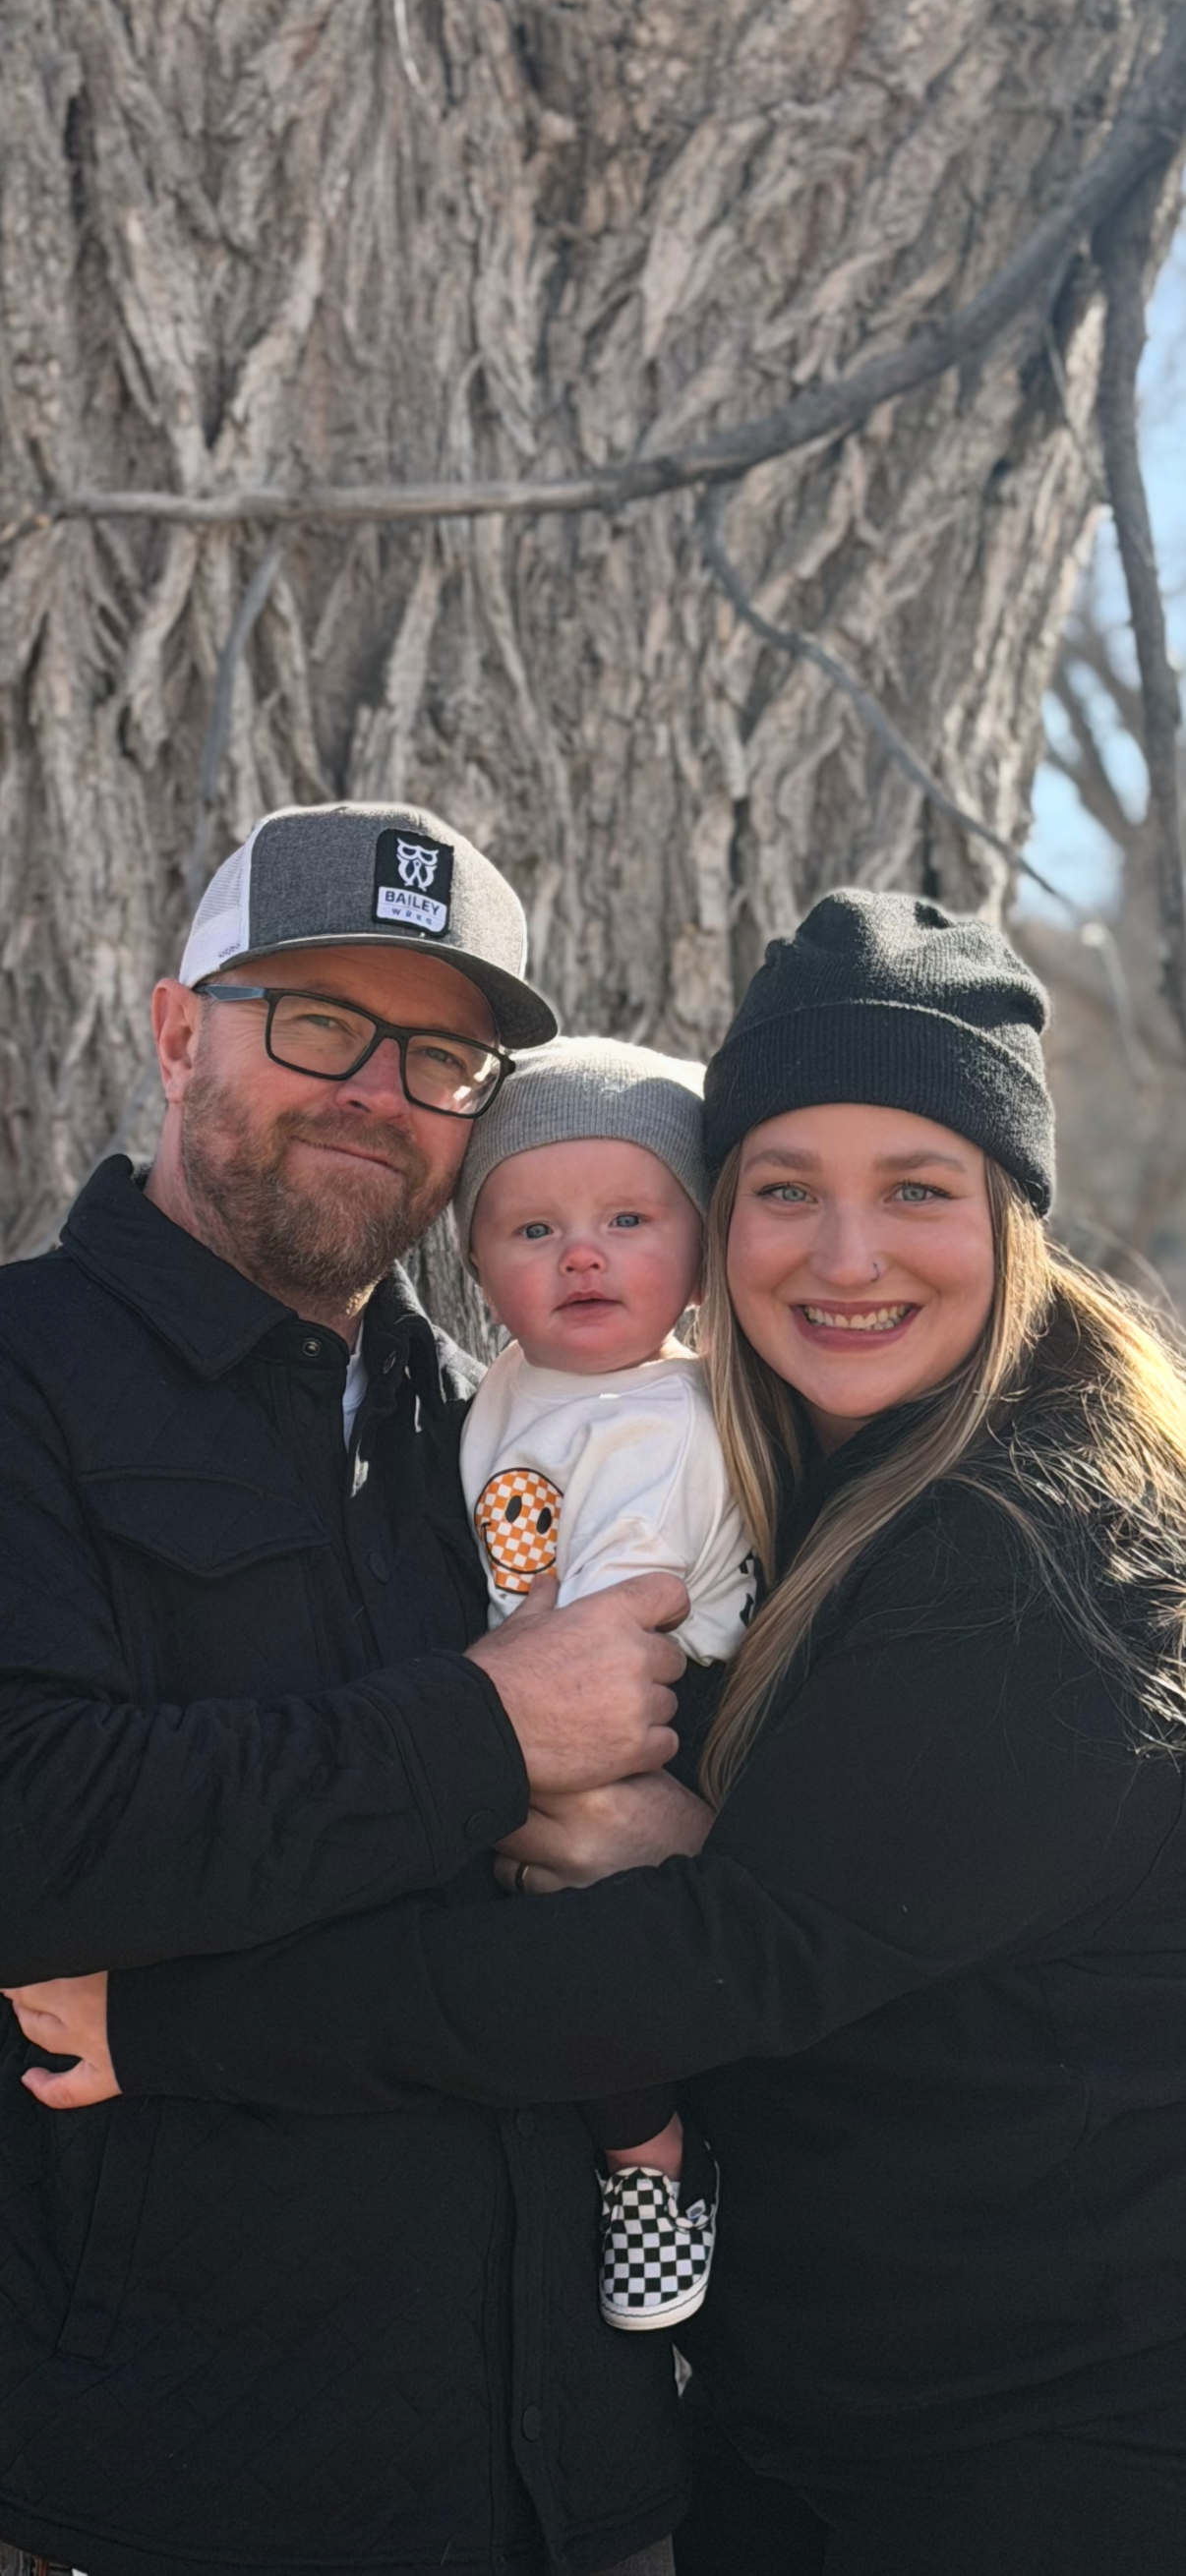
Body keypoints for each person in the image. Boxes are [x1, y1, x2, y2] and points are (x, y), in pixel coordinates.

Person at [21, 888, 1186, 2572]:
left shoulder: (1045, 1550)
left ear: (1013, 1216)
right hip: (781, 2426)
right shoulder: (772, 1474)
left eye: (917, 1190)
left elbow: (710, 1955)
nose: (844, 1257)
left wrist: (185, 2026)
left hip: (1036, 2439)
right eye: (784, 1190)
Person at [0, 799, 701, 2576]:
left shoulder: (501, 1415)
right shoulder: (27, 1378)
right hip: (193, 2477)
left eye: (442, 1056)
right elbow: (32, 1825)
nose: (376, 1092)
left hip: (569, 2475)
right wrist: (484, 1729)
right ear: (177, 1029)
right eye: (317, 1021)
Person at [455, 1034, 754, 2330]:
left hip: (651, 1703)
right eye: (530, 1227)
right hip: (535, 1698)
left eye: (629, 1219)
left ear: (696, 1250)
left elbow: (605, 1634)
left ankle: (652, 2159)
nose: (580, 1252)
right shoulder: (509, 1386)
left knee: (592, 1945)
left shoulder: (665, 1420)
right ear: (475, 1266)